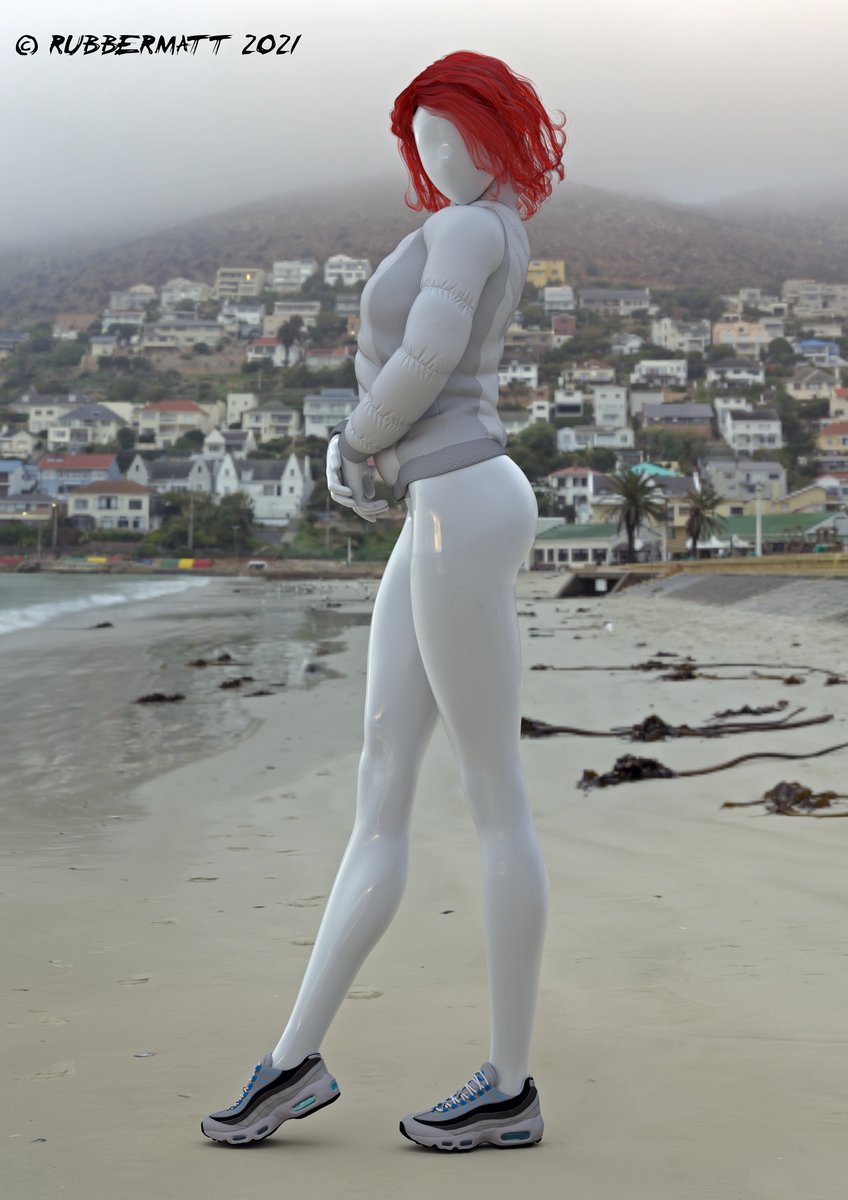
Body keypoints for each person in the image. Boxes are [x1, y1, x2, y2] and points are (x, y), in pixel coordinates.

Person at [202, 49, 565, 1153]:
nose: (437, 156)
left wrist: (351, 445)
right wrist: (369, 461)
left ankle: (508, 1086)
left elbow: (429, 349)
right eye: (423, 141)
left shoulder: (470, 230)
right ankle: (293, 1060)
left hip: (458, 497)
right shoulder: (472, 223)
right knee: (381, 780)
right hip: (436, 505)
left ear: (496, 138)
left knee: (491, 790)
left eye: (453, 135)